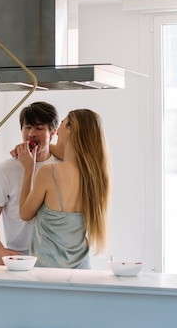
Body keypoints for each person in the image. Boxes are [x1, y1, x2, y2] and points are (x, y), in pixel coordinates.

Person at [18, 109, 110, 269]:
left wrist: (28, 169)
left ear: (71, 129)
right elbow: (70, 154)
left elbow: (25, 214)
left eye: (62, 124)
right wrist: (43, 147)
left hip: (48, 274)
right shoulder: (96, 176)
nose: (58, 130)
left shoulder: (49, 173)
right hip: (82, 271)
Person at [0, 102, 61, 265]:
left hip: (55, 257)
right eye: (27, 127)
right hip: (19, 256)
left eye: (39, 128)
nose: (31, 133)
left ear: (52, 133)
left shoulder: (62, 168)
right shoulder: (4, 171)